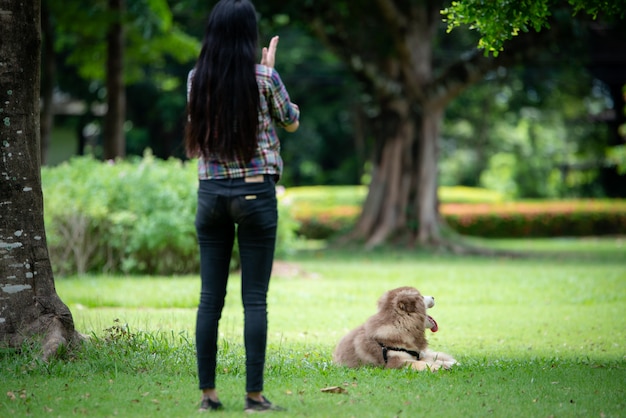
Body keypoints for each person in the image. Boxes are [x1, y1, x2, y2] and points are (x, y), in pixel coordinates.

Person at [185, 0, 299, 413]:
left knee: (209, 299)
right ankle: (253, 397)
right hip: (256, 194)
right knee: (255, 299)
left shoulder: (198, 79)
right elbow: (290, 120)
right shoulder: (265, 76)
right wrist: (269, 67)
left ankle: (208, 396)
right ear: (249, 35)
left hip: (211, 194)